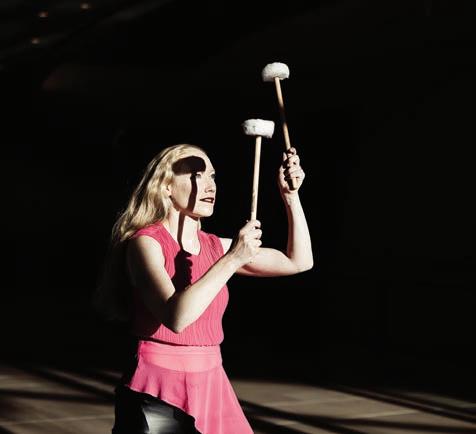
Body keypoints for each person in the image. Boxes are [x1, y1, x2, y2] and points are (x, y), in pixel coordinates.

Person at [94, 143, 313, 434]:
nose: (210, 185)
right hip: (160, 386)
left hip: (211, 380)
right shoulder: (145, 243)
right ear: (166, 186)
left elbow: (299, 261)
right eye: (196, 175)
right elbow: (176, 318)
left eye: (212, 176)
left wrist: (290, 196)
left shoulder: (215, 247)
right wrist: (232, 259)